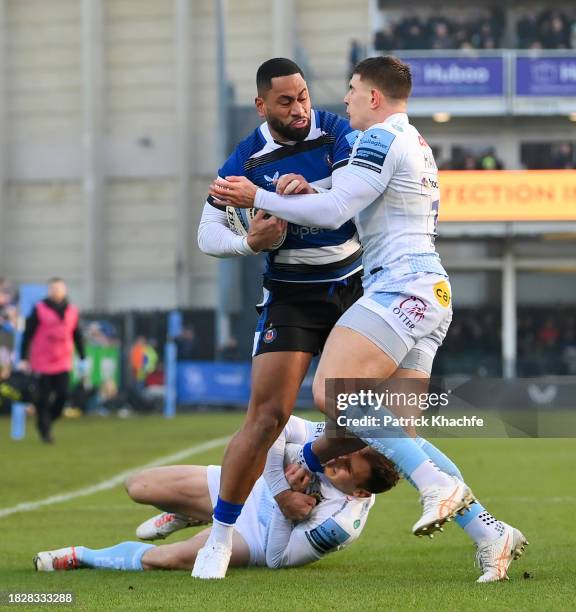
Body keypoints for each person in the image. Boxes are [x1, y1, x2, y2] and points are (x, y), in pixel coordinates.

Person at [211, 56, 528, 582]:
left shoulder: (380, 138)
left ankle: (437, 487)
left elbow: (336, 214)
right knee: (395, 432)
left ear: (375, 97)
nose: (347, 98)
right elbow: (346, 200)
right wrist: (308, 193)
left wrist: (258, 195)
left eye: (353, 90)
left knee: (334, 393)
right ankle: (491, 532)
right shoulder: (412, 141)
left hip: (400, 284)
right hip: (432, 291)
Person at [194, 58, 364, 577]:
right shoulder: (244, 160)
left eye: (304, 97)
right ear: (262, 104)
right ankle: (218, 538)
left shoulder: (337, 133)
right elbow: (206, 234)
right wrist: (250, 241)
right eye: (286, 101)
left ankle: (316, 471)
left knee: (365, 413)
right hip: (290, 295)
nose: (299, 109)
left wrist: (298, 196)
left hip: (354, 288)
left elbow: (345, 203)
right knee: (265, 417)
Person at [34, 416, 399, 573]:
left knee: (164, 560)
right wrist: (280, 488)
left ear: (361, 491)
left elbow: (276, 559)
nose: (334, 460)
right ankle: (199, 513)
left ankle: (80, 556)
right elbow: (279, 426)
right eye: (344, 453)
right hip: (253, 487)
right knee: (138, 487)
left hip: (255, 536)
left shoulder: (341, 524)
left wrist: (285, 510)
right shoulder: (339, 442)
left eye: (345, 469)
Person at [20, 278, 86, 443]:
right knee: (42, 398)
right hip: (42, 360)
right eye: (53, 288)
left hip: (63, 360)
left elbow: (77, 335)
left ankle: (48, 420)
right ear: (49, 291)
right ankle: (45, 429)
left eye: (59, 288)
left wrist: (82, 355)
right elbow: (28, 334)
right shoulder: (39, 309)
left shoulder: (72, 310)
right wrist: (23, 357)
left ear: (65, 291)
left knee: (63, 394)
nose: (56, 292)